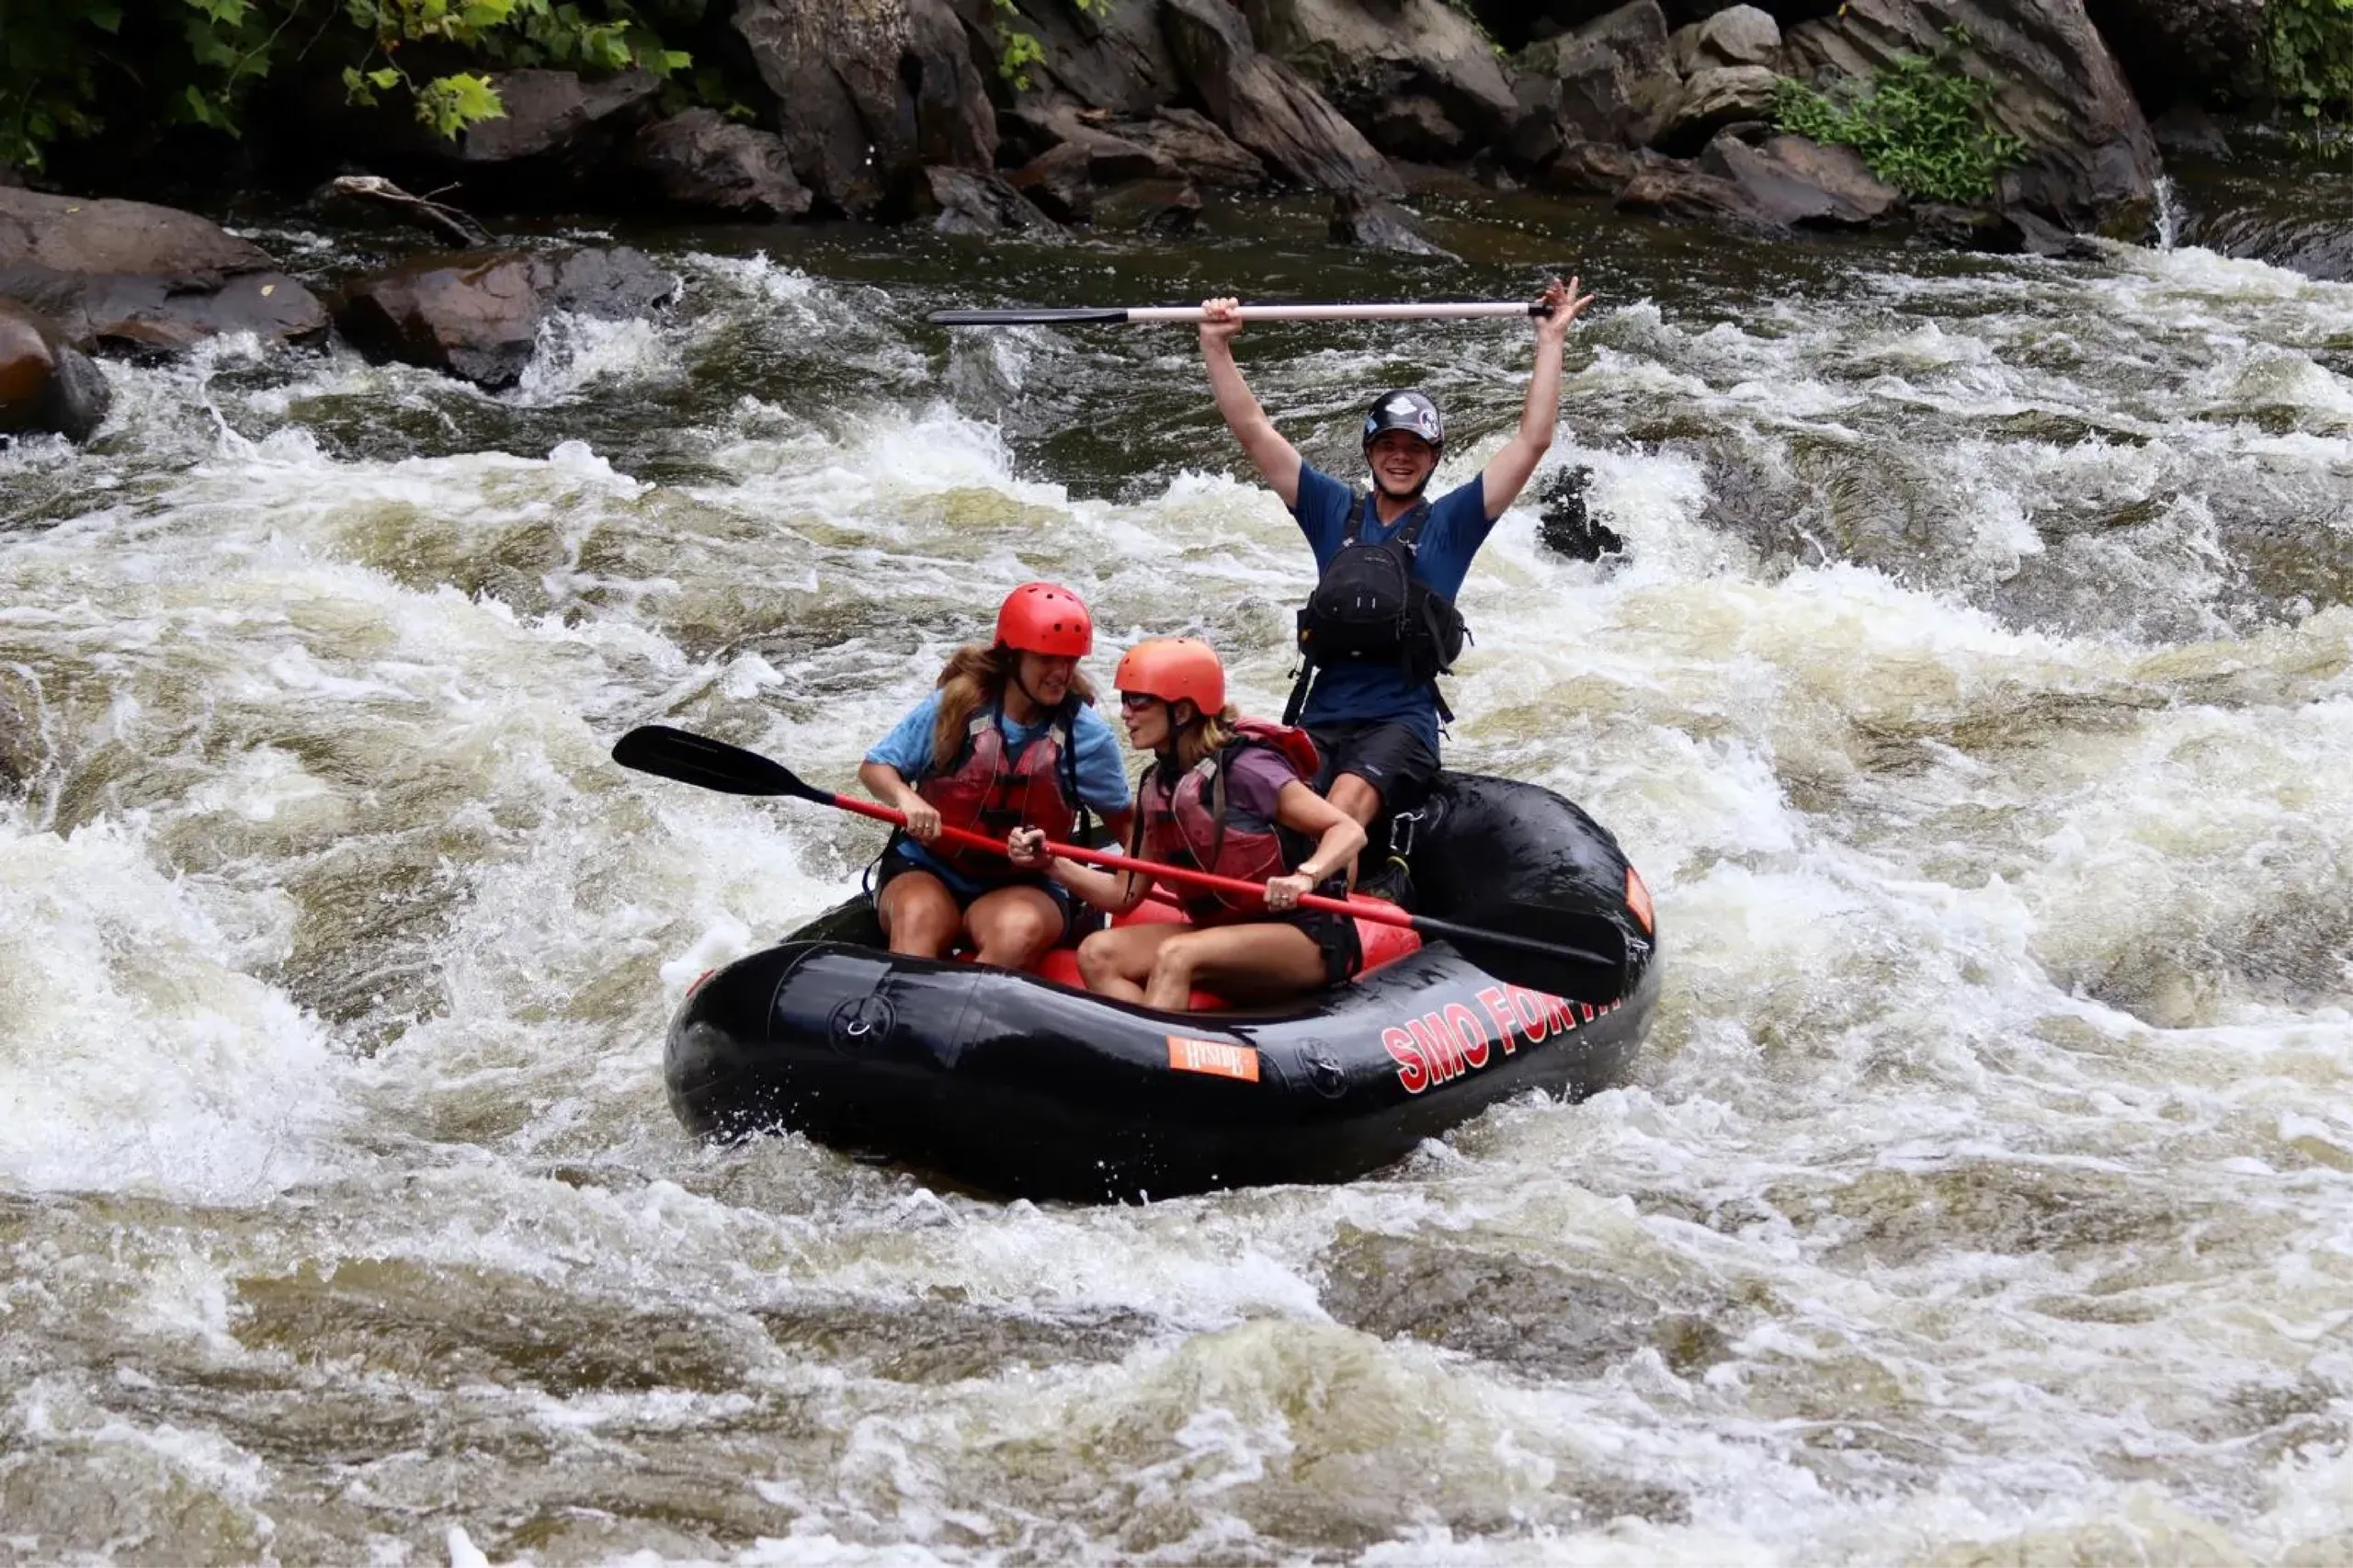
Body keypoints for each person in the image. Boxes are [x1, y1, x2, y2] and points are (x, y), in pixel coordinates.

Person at [1196, 276, 1597, 878]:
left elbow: (1532, 440)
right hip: (1319, 719)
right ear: (1370, 452)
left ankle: (1325, 929)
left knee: (1339, 812)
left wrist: (1550, 341)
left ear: (1434, 458)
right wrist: (1216, 347)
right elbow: (1255, 432)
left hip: (1398, 728)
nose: (1401, 456)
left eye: (1415, 447)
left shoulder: (1454, 524)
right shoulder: (1330, 510)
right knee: (1251, 805)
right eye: (1389, 445)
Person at [1006, 636, 1367, 1012]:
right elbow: (1123, 893)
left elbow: (1347, 830)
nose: (1126, 713)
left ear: (1181, 712)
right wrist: (1050, 862)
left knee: (1177, 955)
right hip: (1222, 935)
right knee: (1099, 953)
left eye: (1139, 700)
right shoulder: (1155, 784)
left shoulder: (1247, 769)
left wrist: (1305, 876)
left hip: (1307, 938)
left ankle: (1150, 1063)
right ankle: (1154, 1049)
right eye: (1126, 699)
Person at [857, 582, 1132, 970]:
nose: (1061, 673)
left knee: (1016, 932)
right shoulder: (956, 704)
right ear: (1012, 658)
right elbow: (875, 769)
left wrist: (1148, 891)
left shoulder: (1086, 736)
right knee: (918, 920)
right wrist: (907, 798)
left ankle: (963, 1017)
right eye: (1046, 659)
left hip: (1026, 884)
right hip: (930, 867)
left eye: (1070, 660)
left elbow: (1128, 828)